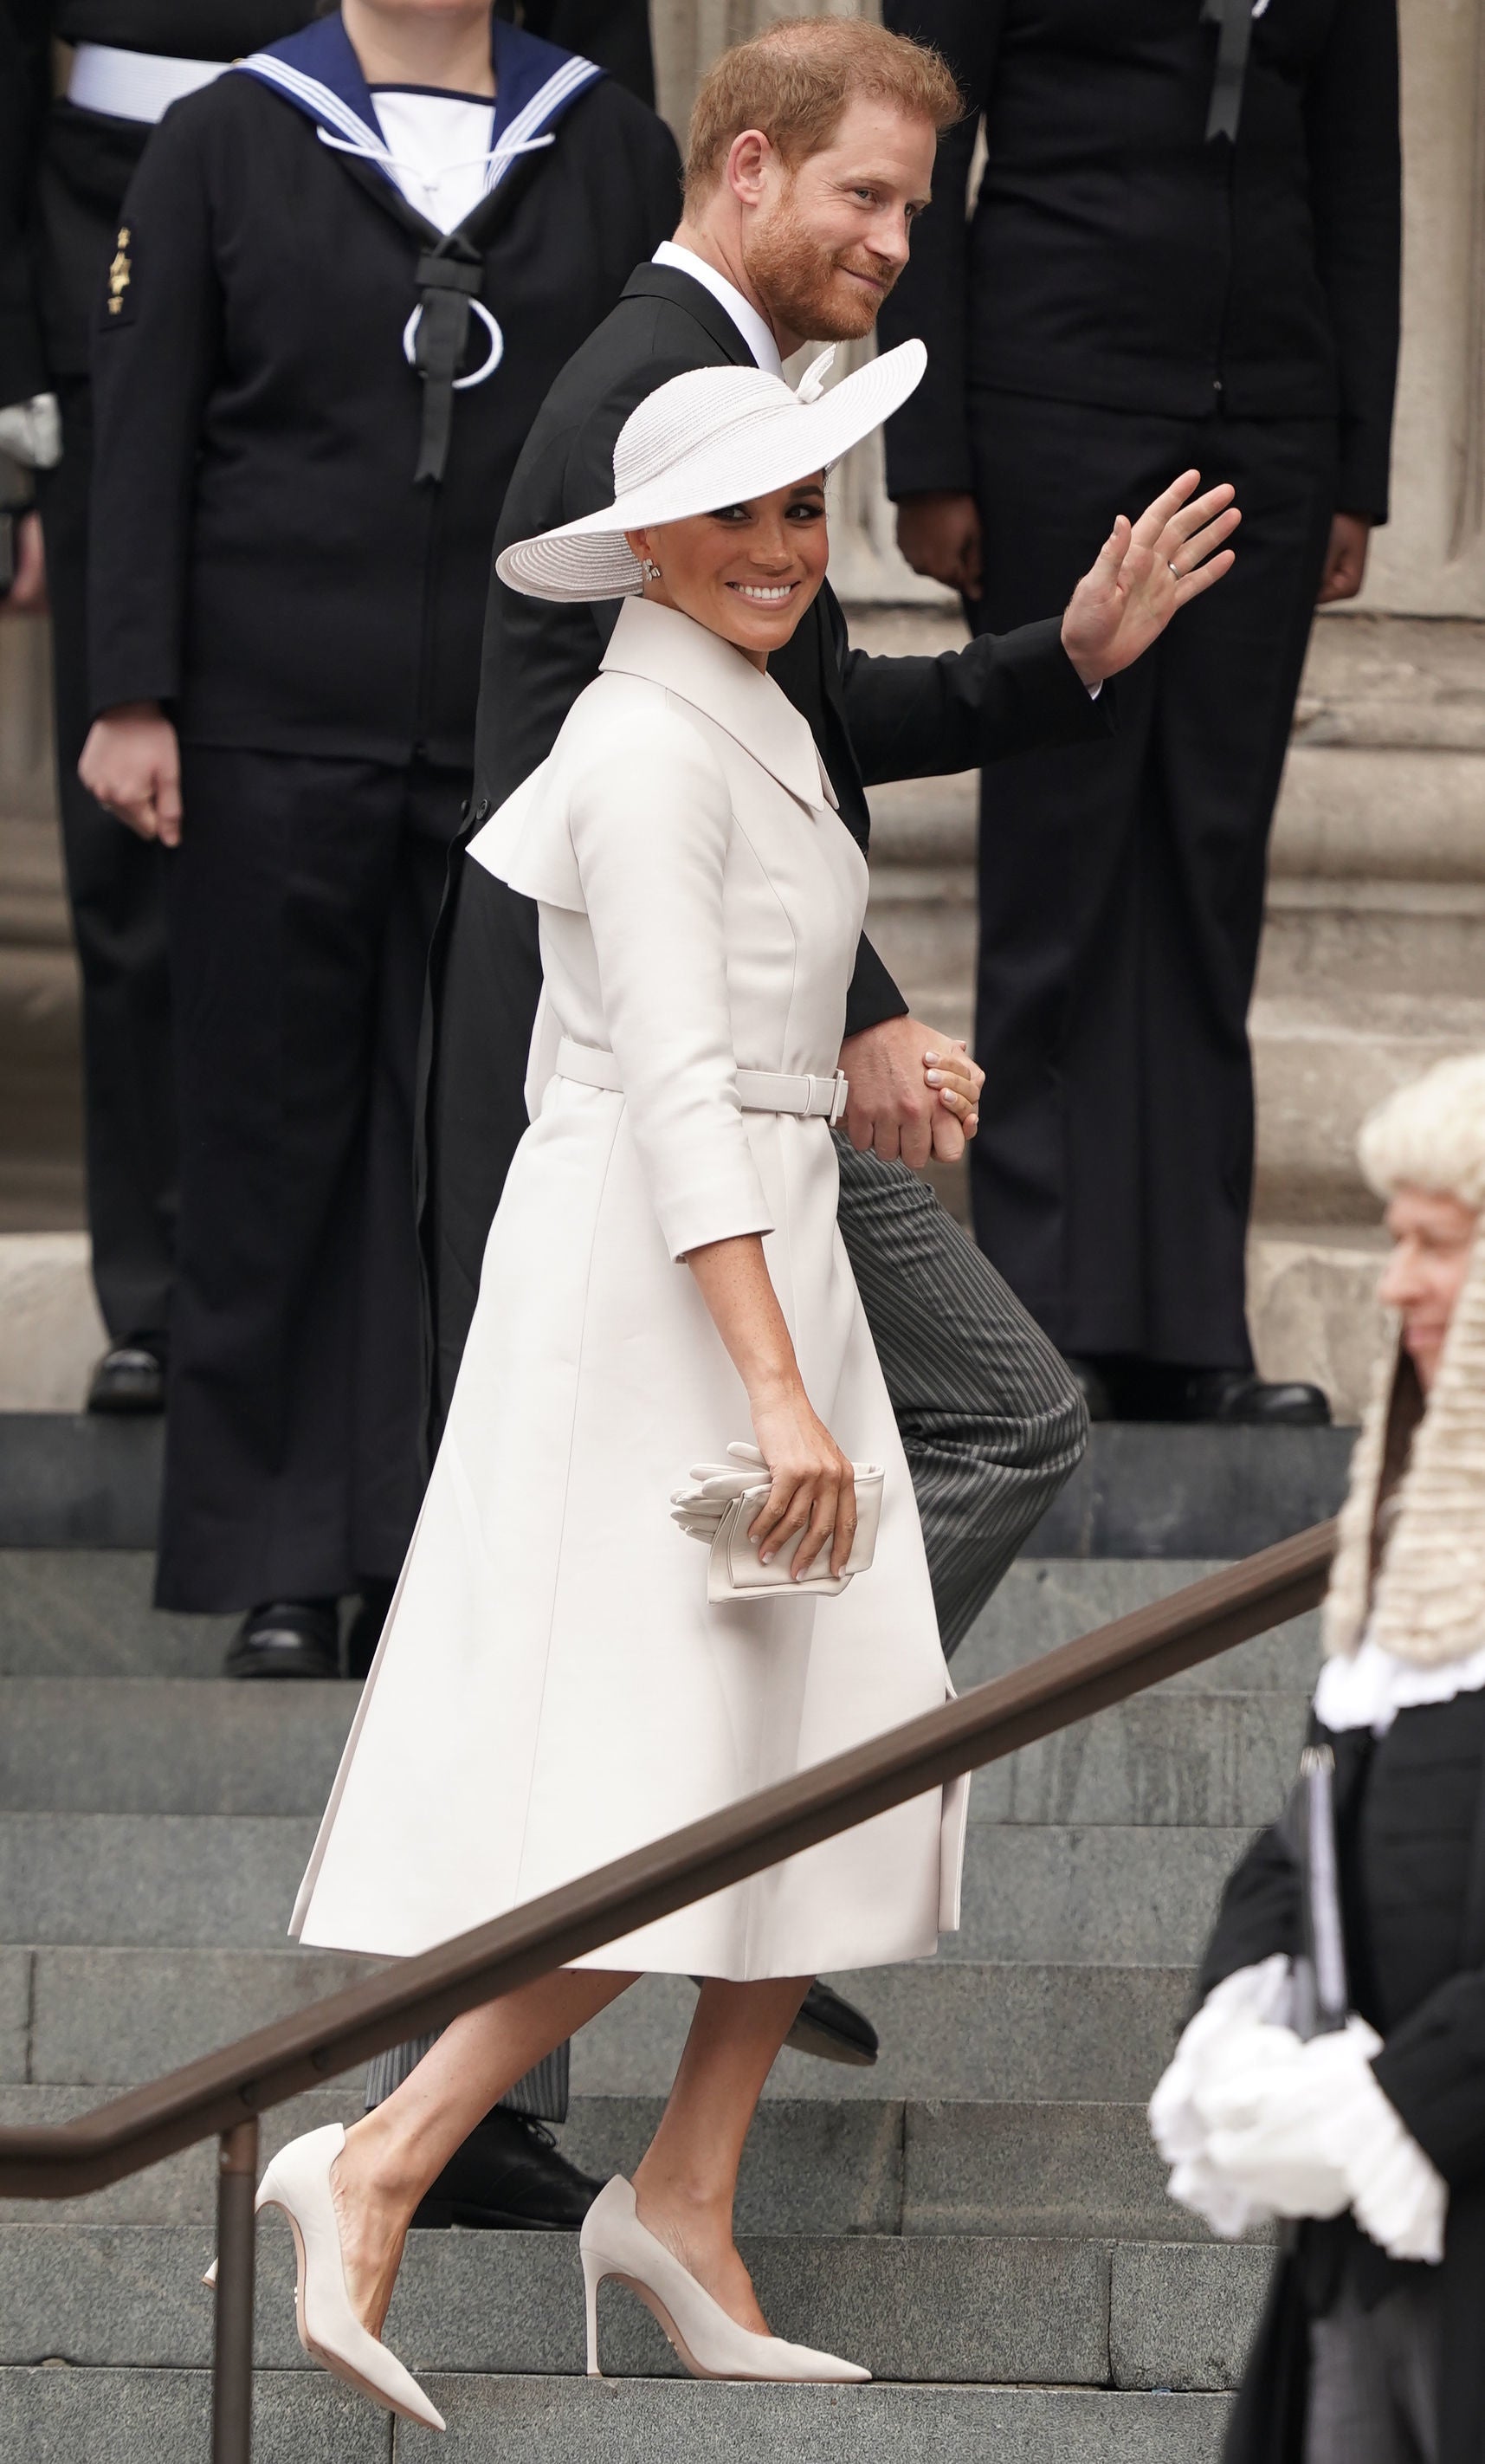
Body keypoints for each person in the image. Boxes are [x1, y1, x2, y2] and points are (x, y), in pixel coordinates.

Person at [248, 335, 1234, 2428]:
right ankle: (386, 2152)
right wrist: (781, 1393)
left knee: (835, 1754)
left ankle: (684, 2195)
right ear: (649, 548)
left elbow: (762, 1049)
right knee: (698, 1788)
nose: (788, 549)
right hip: (664, 1287)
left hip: (771, 1249)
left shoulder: (745, 712)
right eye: (746, 516)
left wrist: (872, 1074)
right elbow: (681, 1097)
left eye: (806, 512)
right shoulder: (639, 747)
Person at [383, 10, 1237, 2154]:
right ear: (744, 172)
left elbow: (810, 708)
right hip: (635, 1092)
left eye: (913, 208)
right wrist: (852, 990)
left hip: (739, 1070)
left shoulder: (739, 394)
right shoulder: (634, 391)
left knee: (957, 1440)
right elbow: (636, 776)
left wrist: (1071, 661)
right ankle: (502, 2078)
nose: (893, 242)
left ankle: (778, 1835)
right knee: (606, 1590)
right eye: (863, 198)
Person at [76, 0, 680, 1685]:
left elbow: (655, 438)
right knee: (272, 1154)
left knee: (485, 1158)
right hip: (270, 715)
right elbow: (145, 431)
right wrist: (131, 692)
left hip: (515, 726)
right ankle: (282, 1561)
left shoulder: (608, 144)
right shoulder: (224, 138)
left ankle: (453, 1551)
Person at [878, 0, 1402, 1426]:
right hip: (1052, 397)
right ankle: (1045, 1323)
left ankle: (1189, 1331)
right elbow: (917, 136)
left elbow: (1360, 175)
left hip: (1271, 425)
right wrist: (926, 452)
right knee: (1061, 862)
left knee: (1207, 867)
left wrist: (1357, 466)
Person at [1149, 1051, 1485, 2463]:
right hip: (1366, 2255)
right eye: (1390, 1241)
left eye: (1436, 1246)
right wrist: (1241, 2004)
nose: (1396, 1283)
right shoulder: (1409, 1559)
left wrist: (1403, 2108)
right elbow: (1314, 1827)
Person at [1, 0, 323, 1413]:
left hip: (349, 292)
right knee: (126, 839)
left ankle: (319, 1279)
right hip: (95, 270)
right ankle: (156, 1291)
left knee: (331, 834)